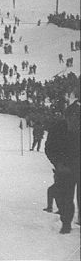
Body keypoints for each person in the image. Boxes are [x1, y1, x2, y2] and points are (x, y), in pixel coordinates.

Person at [45, 100, 80, 234]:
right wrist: (58, 164)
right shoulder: (57, 128)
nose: (76, 121)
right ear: (67, 117)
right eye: (73, 117)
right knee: (64, 197)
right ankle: (66, 222)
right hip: (64, 169)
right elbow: (49, 148)